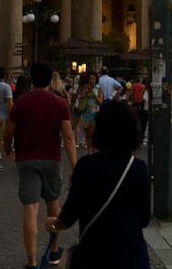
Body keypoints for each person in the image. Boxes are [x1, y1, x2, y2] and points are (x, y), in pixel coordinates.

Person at [45, 101, 151, 269]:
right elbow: (144, 220)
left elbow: (68, 217)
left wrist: (51, 224)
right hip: (132, 257)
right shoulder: (138, 168)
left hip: (94, 255)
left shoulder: (86, 166)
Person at [2, 62, 78, 269]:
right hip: (52, 160)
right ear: (51, 79)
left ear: (31, 78)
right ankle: (53, 250)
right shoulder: (60, 103)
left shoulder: (21, 103)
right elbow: (69, 137)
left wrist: (8, 149)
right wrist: (75, 167)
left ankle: (32, 261)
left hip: (27, 160)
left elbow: (8, 132)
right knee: (53, 205)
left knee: (30, 208)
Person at [76, 75, 101, 151]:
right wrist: (86, 92)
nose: (92, 80)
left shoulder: (99, 88)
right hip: (85, 113)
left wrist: (94, 94)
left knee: (92, 134)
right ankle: (89, 153)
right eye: (90, 78)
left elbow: (100, 102)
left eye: (93, 78)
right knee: (87, 135)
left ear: (96, 80)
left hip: (94, 113)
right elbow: (81, 99)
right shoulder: (85, 88)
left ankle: (93, 152)